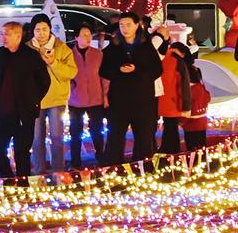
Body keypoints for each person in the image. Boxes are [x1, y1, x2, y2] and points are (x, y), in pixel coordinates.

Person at [0, 20, 49, 184]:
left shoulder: (30, 56)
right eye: (1, 34)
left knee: (22, 152)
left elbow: (44, 81)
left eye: (7, 34)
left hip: (24, 114)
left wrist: (33, 101)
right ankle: (8, 180)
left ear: (18, 35)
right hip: (3, 113)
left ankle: (23, 186)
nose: (3, 37)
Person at [100, 13, 160, 166]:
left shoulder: (146, 45)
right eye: (121, 25)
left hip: (142, 100)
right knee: (115, 137)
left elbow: (157, 70)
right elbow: (103, 70)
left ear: (136, 25)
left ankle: (142, 169)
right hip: (119, 100)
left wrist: (137, 70)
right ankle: (114, 169)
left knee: (143, 137)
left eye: (128, 25)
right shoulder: (114, 46)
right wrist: (119, 70)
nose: (124, 29)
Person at [28, 17, 75, 176]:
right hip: (34, 100)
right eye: (37, 30)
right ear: (33, 31)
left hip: (56, 99)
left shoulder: (61, 48)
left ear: (50, 30)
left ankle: (58, 172)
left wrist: (53, 62)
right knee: (36, 139)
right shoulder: (28, 49)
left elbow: (71, 72)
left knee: (56, 138)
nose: (41, 33)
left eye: (44, 29)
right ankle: (39, 173)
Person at [68, 23, 106, 167]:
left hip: (96, 99)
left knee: (97, 131)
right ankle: (75, 162)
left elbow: (103, 77)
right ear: (76, 37)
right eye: (83, 34)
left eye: (89, 34)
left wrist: (105, 96)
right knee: (75, 132)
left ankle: (101, 157)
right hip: (76, 100)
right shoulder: (69, 55)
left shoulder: (98, 54)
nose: (87, 37)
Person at [157, 41, 193, 154]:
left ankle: (161, 149)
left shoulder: (161, 57)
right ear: (182, 53)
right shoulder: (178, 61)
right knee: (172, 128)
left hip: (159, 99)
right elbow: (183, 85)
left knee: (166, 127)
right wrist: (186, 107)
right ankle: (172, 151)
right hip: (174, 100)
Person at [182, 66, 211, 151]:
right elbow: (208, 98)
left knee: (191, 147)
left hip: (191, 124)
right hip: (202, 123)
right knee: (201, 145)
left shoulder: (189, 90)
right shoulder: (201, 87)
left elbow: (188, 108)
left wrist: (181, 121)